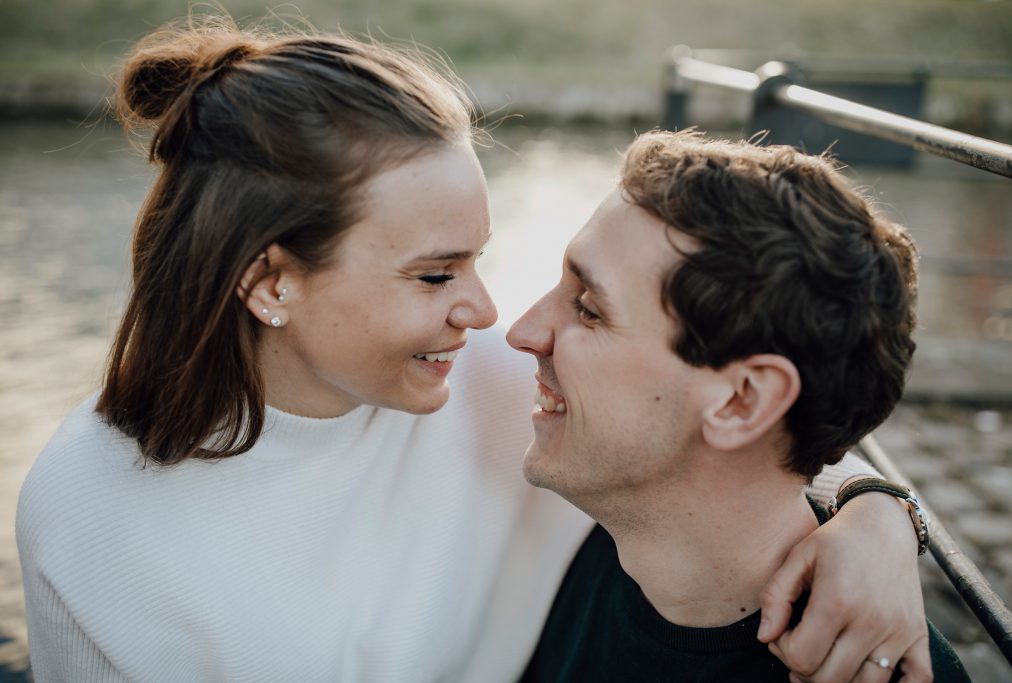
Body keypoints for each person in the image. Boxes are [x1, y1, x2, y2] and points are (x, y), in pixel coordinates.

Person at [17, 17, 930, 682]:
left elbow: (742, 431)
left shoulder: (497, 385)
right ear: (271, 283)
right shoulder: (93, 507)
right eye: (434, 273)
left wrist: (879, 515)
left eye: (477, 259)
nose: (493, 313)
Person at [510, 130, 969, 682]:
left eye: (588, 309)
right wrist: (885, 506)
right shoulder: (583, 504)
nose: (522, 332)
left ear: (741, 400)